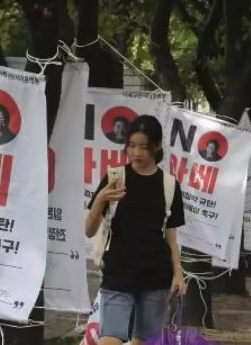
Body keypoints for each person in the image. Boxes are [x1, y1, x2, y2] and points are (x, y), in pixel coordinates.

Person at [85, 115, 187, 345]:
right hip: (119, 271)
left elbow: (171, 239)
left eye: (143, 147)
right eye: (131, 146)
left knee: (145, 341)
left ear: (157, 146)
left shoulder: (169, 185)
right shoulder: (115, 178)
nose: (136, 153)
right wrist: (101, 198)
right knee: (110, 339)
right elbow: (89, 230)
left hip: (156, 275)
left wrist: (179, 274)